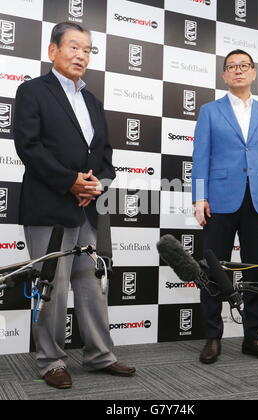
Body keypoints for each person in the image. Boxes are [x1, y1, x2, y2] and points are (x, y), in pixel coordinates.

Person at [13, 22, 135, 389]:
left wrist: (97, 185)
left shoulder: (93, 101)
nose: (81, 55)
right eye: (74, 47)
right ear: (53, 51)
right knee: (53, 286)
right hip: (49, 205)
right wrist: (70, 181)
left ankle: (100, 355)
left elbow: (106, 157)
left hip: (89, 208)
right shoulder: (32, 91)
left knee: (93, 285)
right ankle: (51, 361)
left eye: (87, 50)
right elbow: (28, 146)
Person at [192, 49, 258, 364]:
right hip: (219, 198)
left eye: (243, 66)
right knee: (213, 270)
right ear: (224, 75)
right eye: (231, 66)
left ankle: (253, 338)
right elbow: (200, 157)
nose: (238, 71)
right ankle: (212, 338)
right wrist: (199, 197)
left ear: (253, 72)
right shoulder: (209, 111)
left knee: (255, 271)